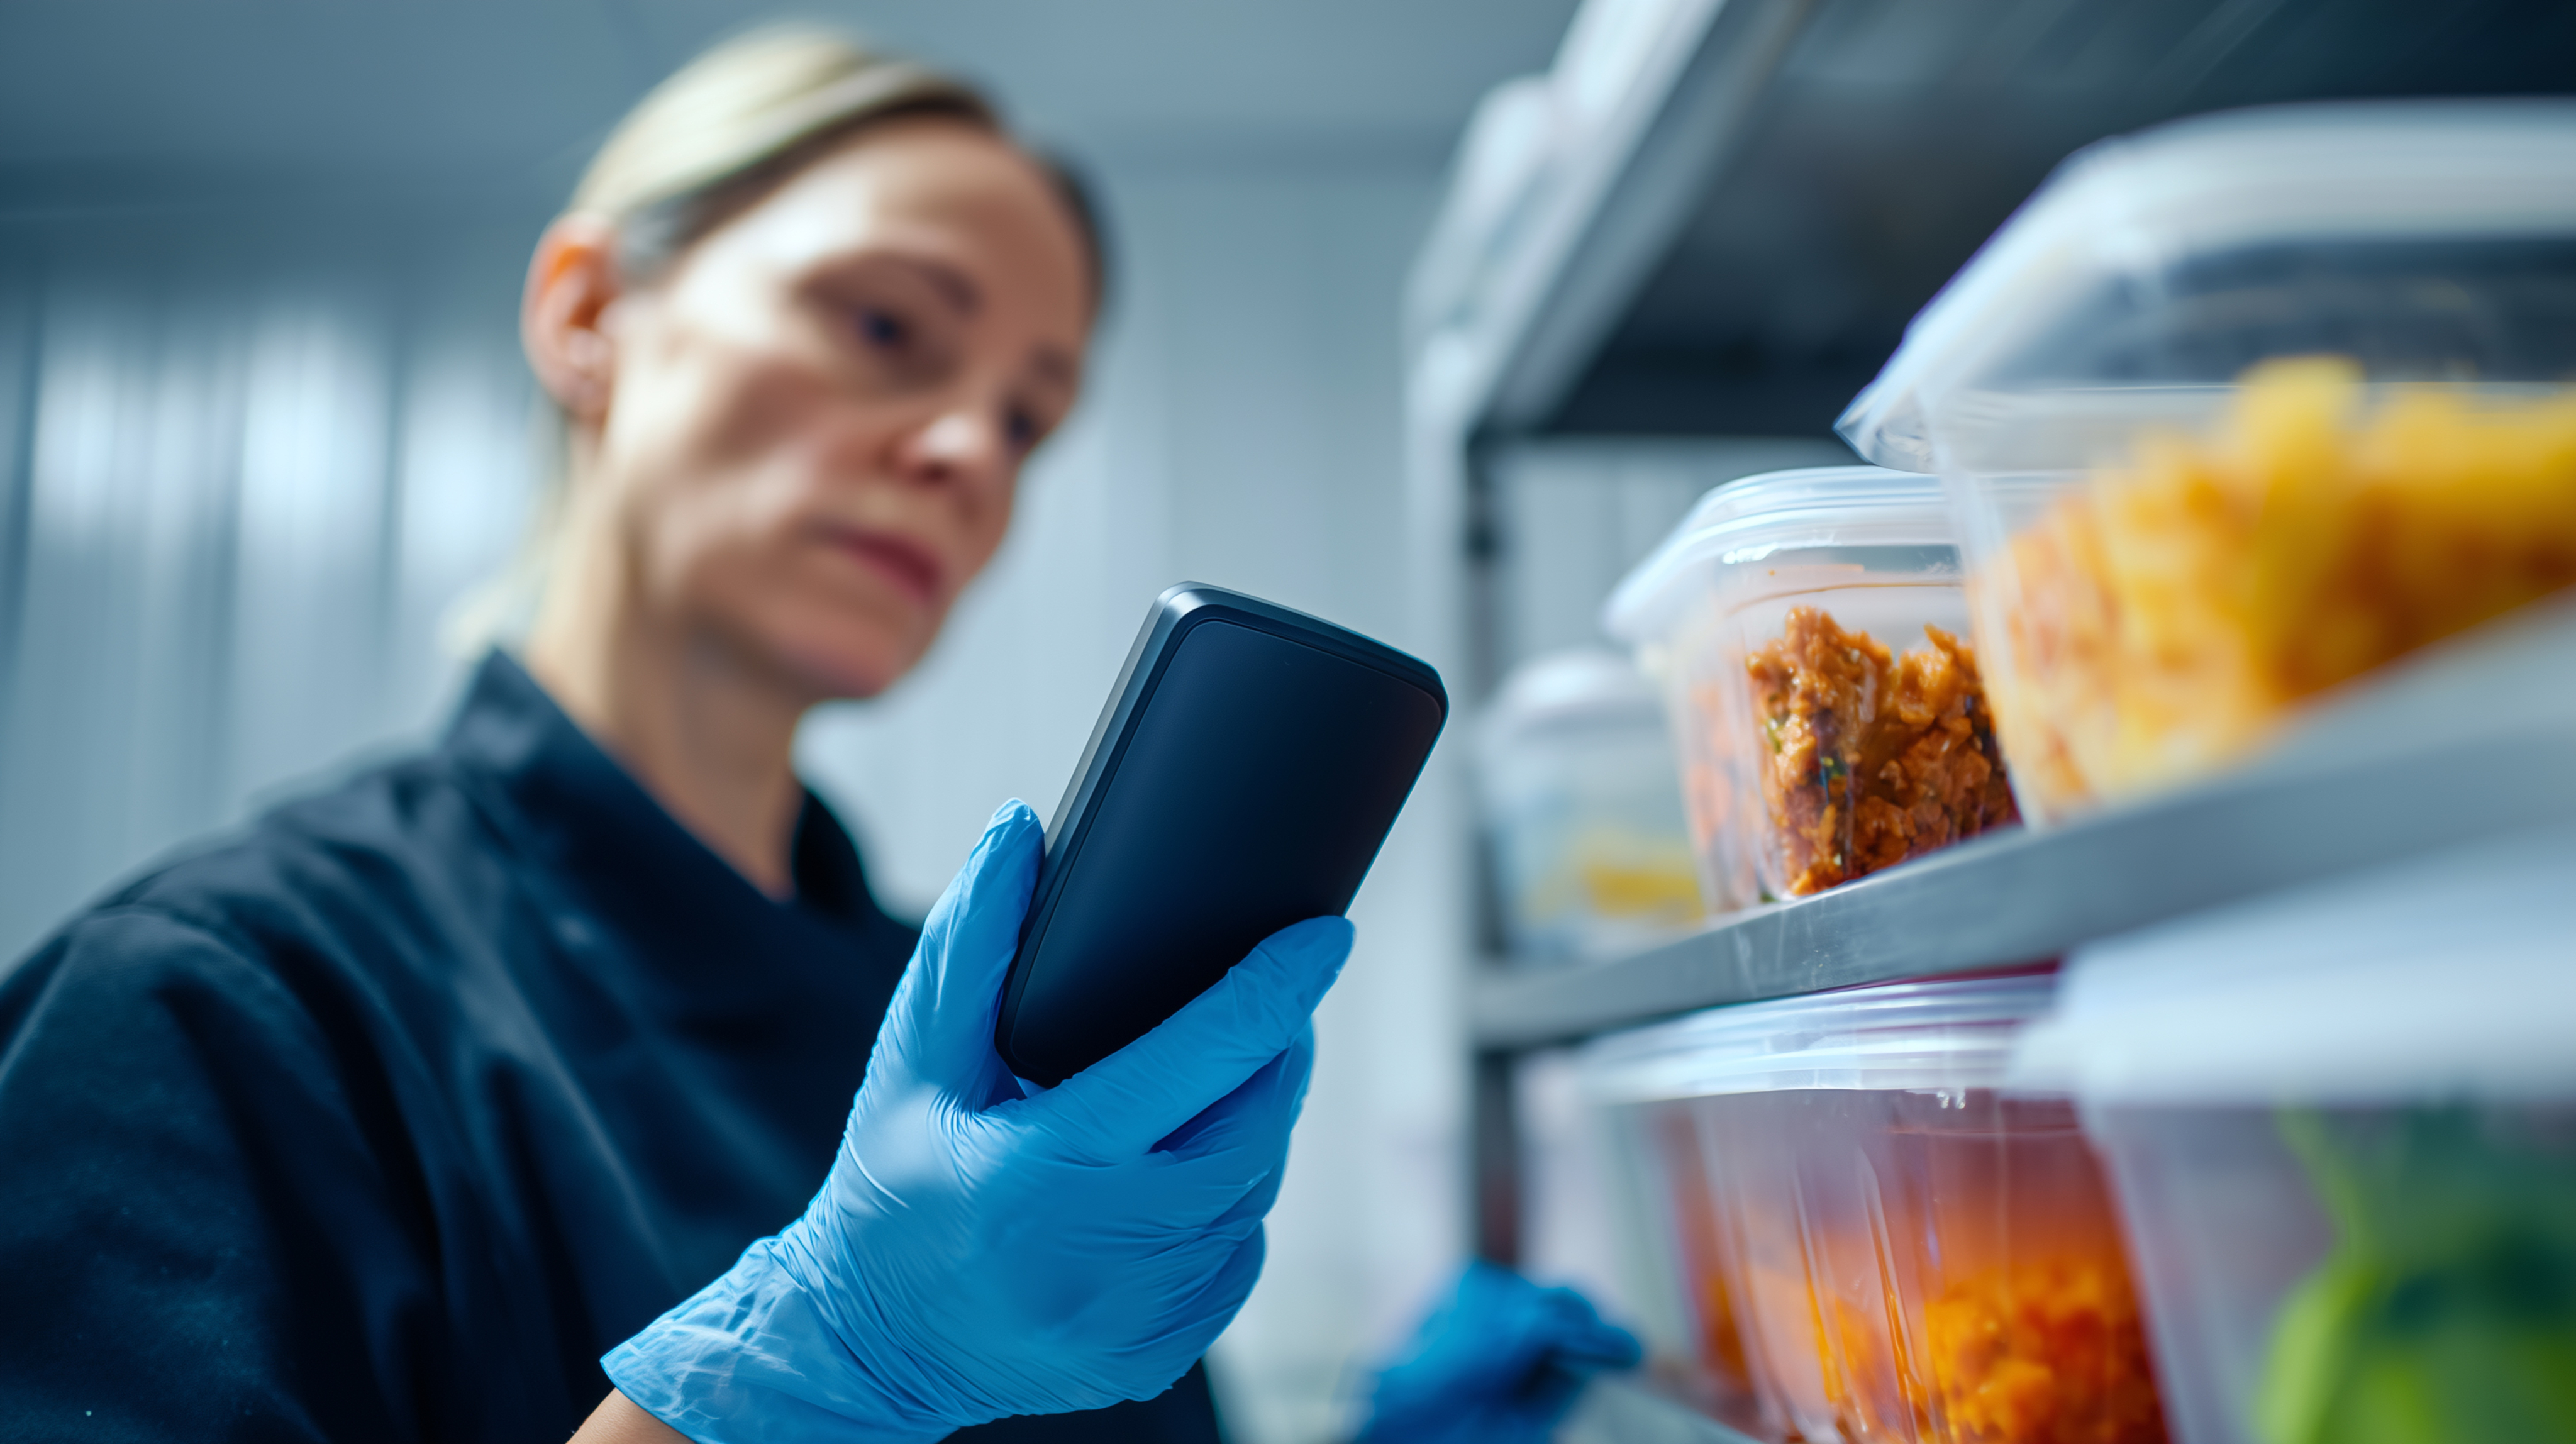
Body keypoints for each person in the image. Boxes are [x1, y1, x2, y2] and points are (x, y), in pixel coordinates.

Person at [0, 25, 1634, 1444]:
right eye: (884, 328)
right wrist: (820, 1372)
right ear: (587, 316)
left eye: (1026, 416)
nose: (965, 453)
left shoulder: (979, 1031)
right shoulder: (215, 1007)